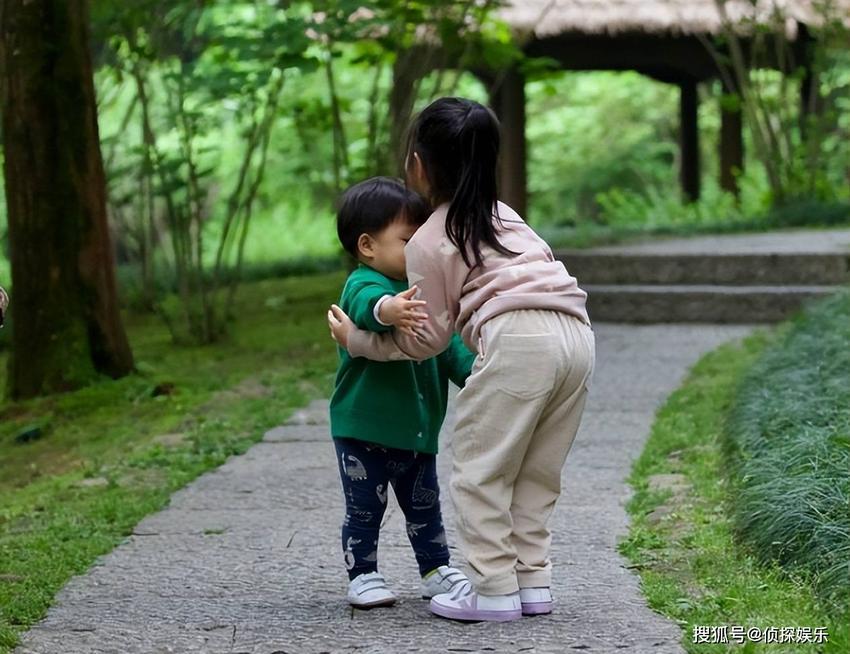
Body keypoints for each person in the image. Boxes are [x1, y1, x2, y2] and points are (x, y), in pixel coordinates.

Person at [328, 98, 595, 622]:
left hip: (520, 342)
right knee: (537, 471)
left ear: (419, 166)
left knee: (482, 470)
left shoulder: (429, 239)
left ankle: (493, 589)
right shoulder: (506, 216)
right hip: (578, 338)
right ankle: (531, 582)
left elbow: (424, 340)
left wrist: (359, 343)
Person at [329, 176, 474, 609]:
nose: (418, 251)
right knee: (365, 509)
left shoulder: (426, 291)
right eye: (408, 241)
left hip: (416, 429)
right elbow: (364, 311)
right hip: (363, 427)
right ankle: (364, 574)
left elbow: (448, 347)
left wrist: (480, 373)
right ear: (368, 246)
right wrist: (388, 310)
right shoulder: (364, 282)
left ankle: (435, 569)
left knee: (425, 508)